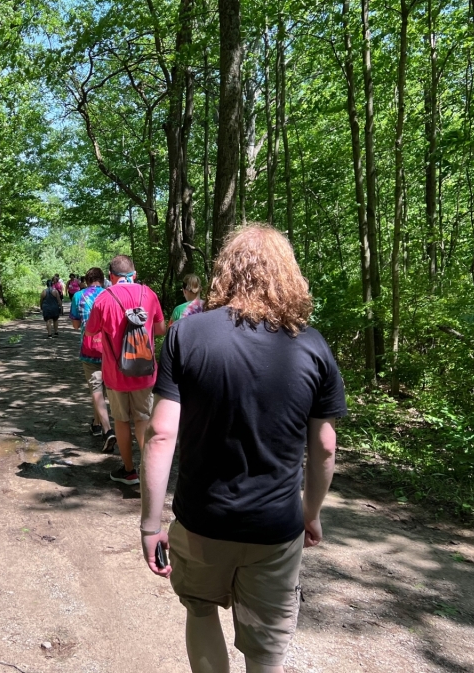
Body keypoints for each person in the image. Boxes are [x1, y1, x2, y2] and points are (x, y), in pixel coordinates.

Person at [139, 224, 345, 673]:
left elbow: (160, 435)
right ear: (288, 275)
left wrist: (150, 525)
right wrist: (310, 513)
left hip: (201, 521)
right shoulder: (311, 346)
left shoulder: (186, 335)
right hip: (275, 528)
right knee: (265, 648)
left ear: (225, 272)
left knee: (199, 609)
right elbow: (325, 447)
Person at [84, 254, 165, 485]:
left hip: (116, 373)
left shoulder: (103, 298)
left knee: (121, 421)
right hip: (145, 370)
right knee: (143, 419)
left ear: (111, 276)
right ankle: (150, 474)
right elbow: (160, 329)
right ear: (134, 274)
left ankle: (129, 471)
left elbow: (90, 332)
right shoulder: (148, 293)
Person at [70, 267, 115, 450]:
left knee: (96, 389)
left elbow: (75, 325)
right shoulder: (110, 294)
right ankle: (97, 424)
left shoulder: (78, 296)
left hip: (89, 349)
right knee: (108, 389)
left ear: (87, 280)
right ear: (103, 280)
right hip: (111, 350)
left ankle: (107, 429)